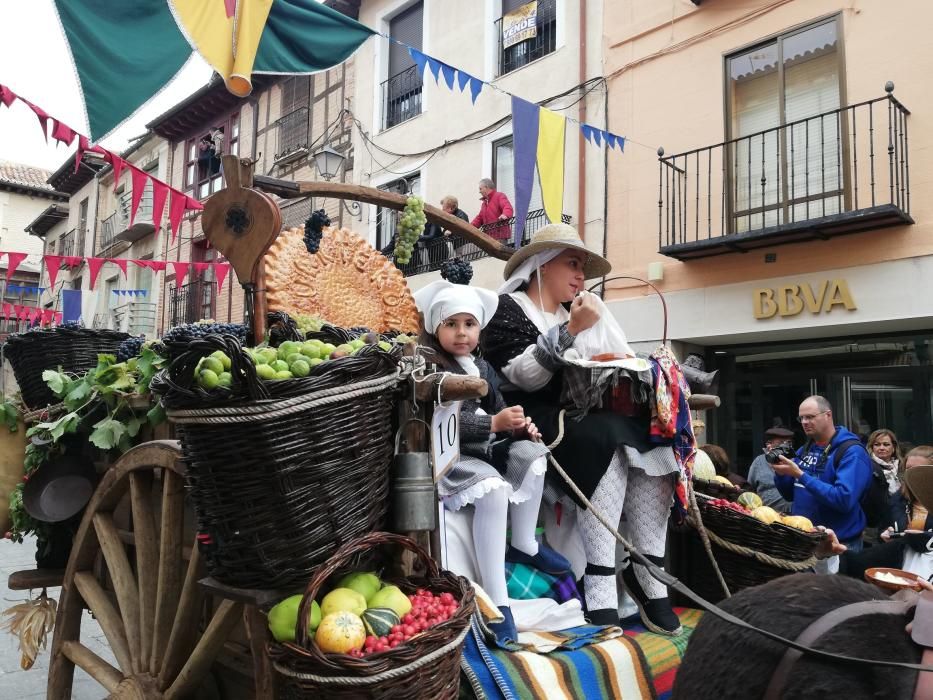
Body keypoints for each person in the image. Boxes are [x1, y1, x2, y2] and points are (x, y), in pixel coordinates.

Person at [481, 223, 684, 635]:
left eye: (583, 269)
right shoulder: (507, 310)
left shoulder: (576, 311)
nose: (580, 276)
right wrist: (571, 330)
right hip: (529, 418)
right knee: (604, 436)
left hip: (579, 415)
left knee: (651, 439)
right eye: (572, 264)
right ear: (541, 266)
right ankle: (600, 580)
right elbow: (525, 377)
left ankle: (650, 576)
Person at [413, 280, 571, 644]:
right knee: (492, 491)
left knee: (535, 457)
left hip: (486, 448)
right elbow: (445, 419)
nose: (461, 332)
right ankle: (499, 602)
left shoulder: (482, 367)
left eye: (469, 324)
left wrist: (516, 424)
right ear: (436, 327)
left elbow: (497, 406)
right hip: (451, 457)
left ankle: (526, 544)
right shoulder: (432, 364)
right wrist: (492, 423)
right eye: (451, 324)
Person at [772, 395, 873, 553]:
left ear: (828, 415)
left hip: (838, 543)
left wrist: (800, 475)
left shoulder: (852, 452)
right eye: (802, 418)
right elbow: (790, 495)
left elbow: (843, 499)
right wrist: (780, 473)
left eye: (810, 417)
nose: (805, 422)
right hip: (804, 540)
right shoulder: (806, 449)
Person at [840, 445, 933, 582]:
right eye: (908, 469)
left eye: (917, 471)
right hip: (900, 570)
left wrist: (924, 538)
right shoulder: (897, 499)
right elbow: (883, 531)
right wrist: (885, 535)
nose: (911, 476)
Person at [745, 427, 795, 514]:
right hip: (767, 515)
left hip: (794, 515)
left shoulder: (795, 461)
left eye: (789, 443)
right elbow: (750, 488)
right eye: (781, 443)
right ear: (769, 444)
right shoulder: (759, 462)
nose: (786, 446)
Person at [868, 428, 906, 530]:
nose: (881, 448)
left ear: (893, 447)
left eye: (886, 444)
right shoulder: (867, 467)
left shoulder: (903, 466)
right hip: (877, 522)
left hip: (900, 517)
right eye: (877, 444)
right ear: (871, 447)